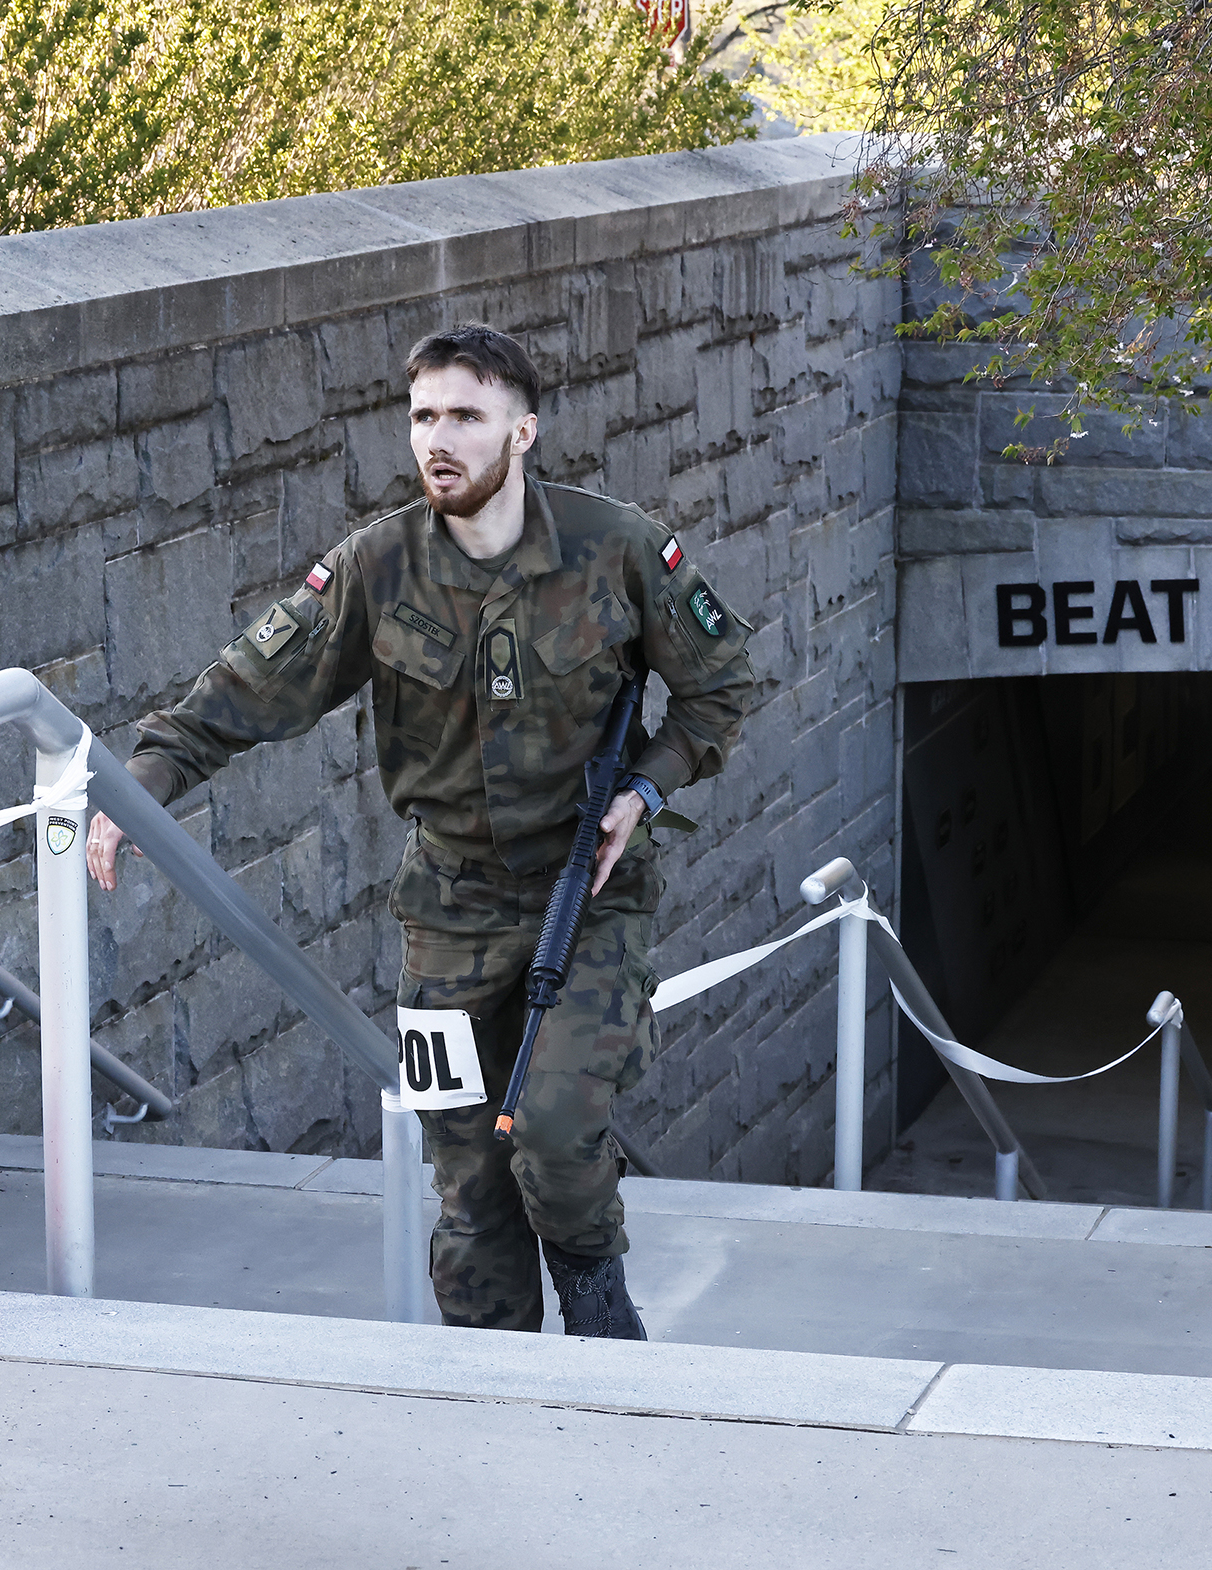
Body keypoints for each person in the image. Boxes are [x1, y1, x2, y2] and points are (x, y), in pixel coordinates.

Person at [84, 323, 755, 1337]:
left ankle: (601, 1318)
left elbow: (719, 691)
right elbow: (250, 686)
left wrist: (647, 789)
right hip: (446, 915)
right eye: (425, 416)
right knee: (471, 1190)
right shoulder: (378, 566)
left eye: (467, 417)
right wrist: (143, 781)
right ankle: (493, 1401)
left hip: (590, 896)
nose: (439, 438)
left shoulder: (617, 547)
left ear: (522, 431)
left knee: (557, 1134)